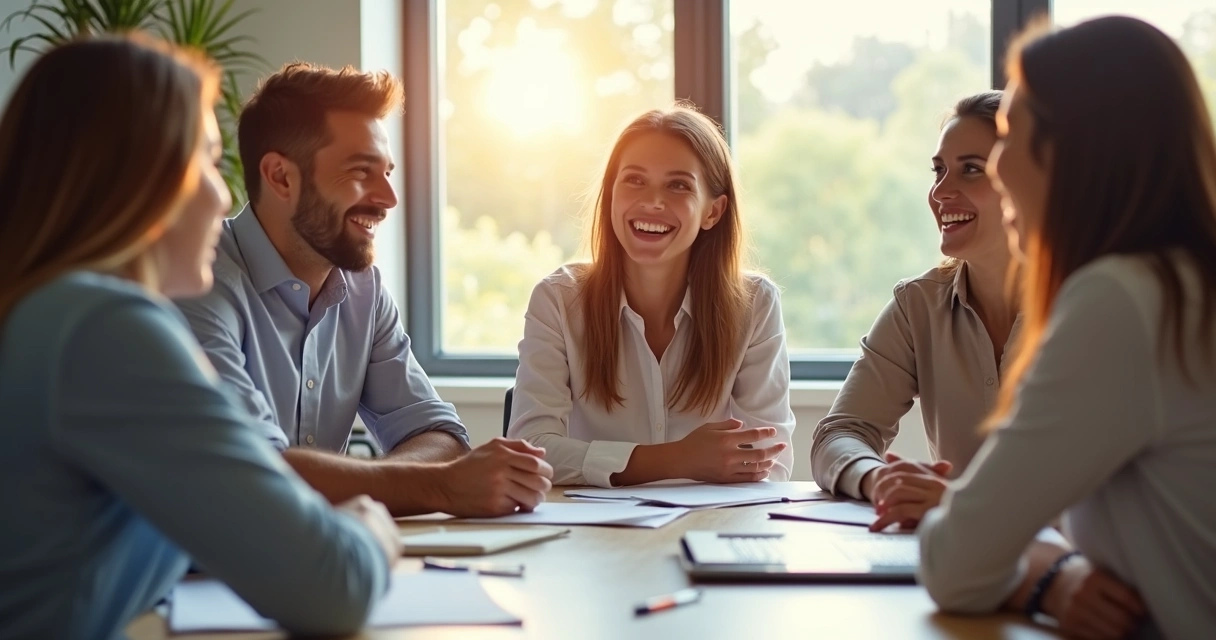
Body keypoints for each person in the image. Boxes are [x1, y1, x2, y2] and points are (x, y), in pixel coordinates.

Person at [0, 35, 399, 639]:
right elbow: (331, 584)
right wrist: (371, 525)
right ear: (137, 180)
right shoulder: (103, 330)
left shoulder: (56, 315)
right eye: (208, 162)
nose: (223, 197)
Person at [918, 16, 1216, 639]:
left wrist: (1046, 575)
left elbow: (953, 563)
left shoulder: (1122, 302)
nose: (997, 172)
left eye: (1008, 139)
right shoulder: (1181, 286)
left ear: (1072, 153)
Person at [175, 62, 552, 516]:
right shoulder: (195, 285)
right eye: (360, 172)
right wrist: (437, 487)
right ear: (280, 177)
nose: (388, 198)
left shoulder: (362, 289)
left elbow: (437, 433)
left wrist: (415, 483)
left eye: (387, 172)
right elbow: (254, 472)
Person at [507, 104, 795, 487]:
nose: (652, 203)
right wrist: (677, 460)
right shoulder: (558, 299)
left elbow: (767, 462)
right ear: (611, 195)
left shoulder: (755, 305)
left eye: (678, 185)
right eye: (634, 181)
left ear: (713, 211)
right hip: (595, 537)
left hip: (711, 527)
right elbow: (531, 453)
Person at [811, 91, 1019, 531]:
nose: (941, 193)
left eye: (972, 170)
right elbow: (840, 433)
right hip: (959, 560)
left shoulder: (1092, 307)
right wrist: (878, 478)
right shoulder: (918, 305)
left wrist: (963, 501)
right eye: (939, 170)